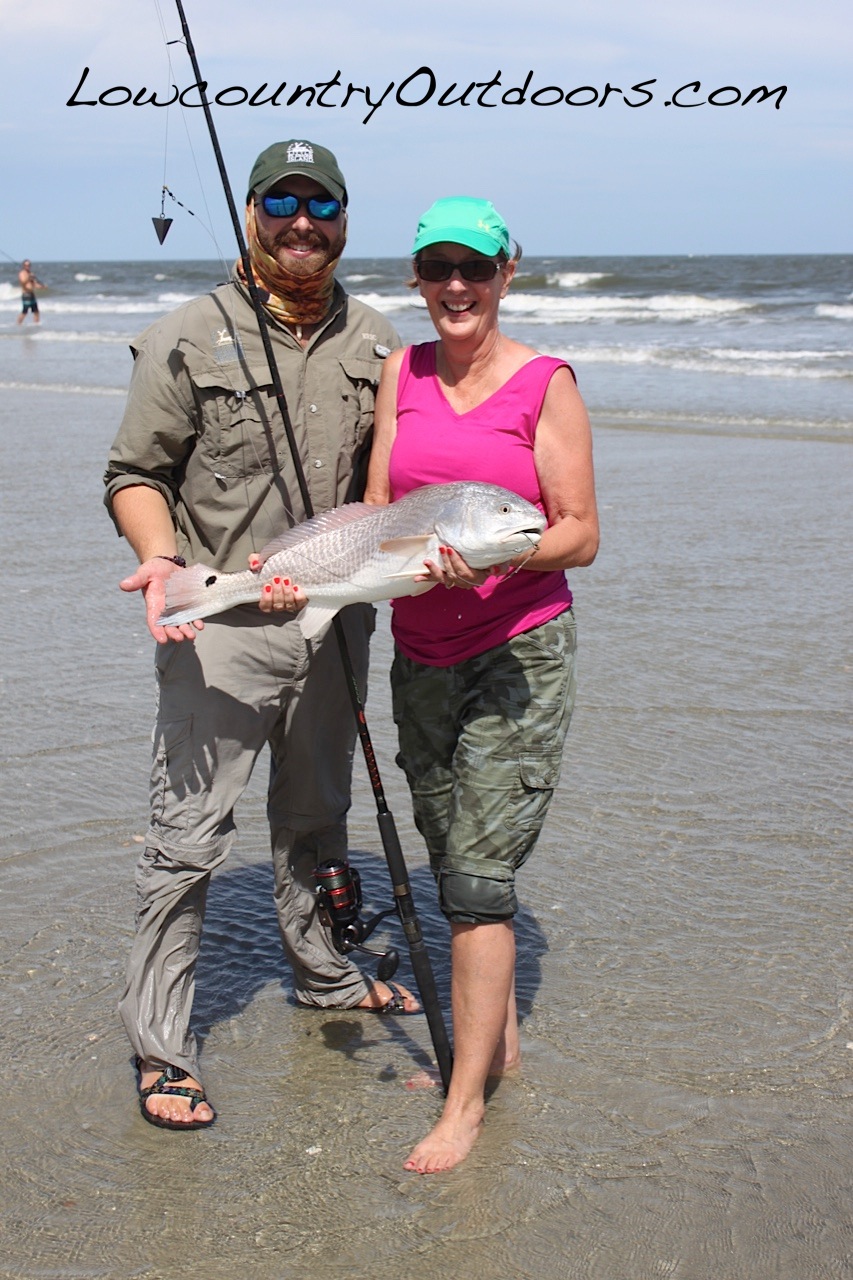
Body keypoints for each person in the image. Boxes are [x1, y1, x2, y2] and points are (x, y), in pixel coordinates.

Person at [104, 140, 413, 1132]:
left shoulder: (380, 342)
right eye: (279, 200)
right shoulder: (186, 335)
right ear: (249, 212)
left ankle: (323, 972)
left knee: (318, 810)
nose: (300, 221)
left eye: (319, 204)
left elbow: (387, 490)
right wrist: (158, 555)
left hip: (335, 619)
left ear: (344, 221)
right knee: (189, 840)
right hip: (220, 626)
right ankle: (161, 1042)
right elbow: (135, 472)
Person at [364, 196, 599, 1173]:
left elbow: (579, 532)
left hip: (516, 651)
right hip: (419, 650)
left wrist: (482, 563)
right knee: (444, 844)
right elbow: (380, 507)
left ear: (507, 272)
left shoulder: (544, 384)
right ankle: (494, 1041)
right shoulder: (401, 370)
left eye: (475, 267)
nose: (455, 286)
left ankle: (463, 1101)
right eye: (437, 268)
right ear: (419, 279)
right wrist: (322, 571)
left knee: (475, 879)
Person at [17, 259, 45, 324]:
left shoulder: (31, 273)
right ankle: (18, 323)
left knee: (36, 311)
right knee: (25, 312)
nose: (28, 266)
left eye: (29, 265)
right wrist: (29, 277)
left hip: (32, 294)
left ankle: (36, 324)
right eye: (26, 265)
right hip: (26, 294)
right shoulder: (22, 273)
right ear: (23, 266)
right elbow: (23, 282)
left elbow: (34, 284)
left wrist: (41, 286)